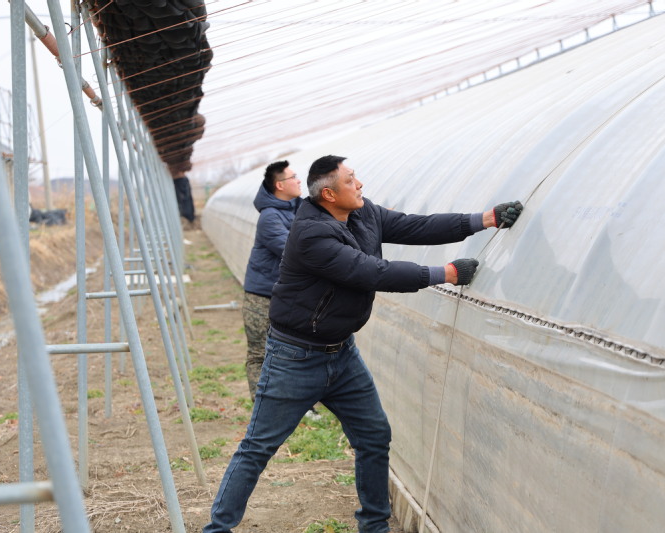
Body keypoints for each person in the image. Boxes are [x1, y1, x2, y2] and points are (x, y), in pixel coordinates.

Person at [204, 155, 523, 533]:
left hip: (342, 354)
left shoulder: (363, 213)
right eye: (350, 180)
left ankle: (374, 525)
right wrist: (446, 273)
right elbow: (370, 271)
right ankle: (217, 529)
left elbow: (415, 225)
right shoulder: (311, 235)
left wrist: (484, 219)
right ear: (328, 194)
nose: (360, 185)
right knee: (258, 448)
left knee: (373, 436)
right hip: (294, 357)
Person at [241, 160, 302, 401]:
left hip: (287, 296)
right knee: (260, 353)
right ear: (280, 185)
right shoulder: (270, 217)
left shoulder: (299, 208)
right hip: (262, 298)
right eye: (293, 177)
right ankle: (262, 407)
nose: (298, 180)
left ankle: (296, 404)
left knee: (293, 353)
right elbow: (293, 251)